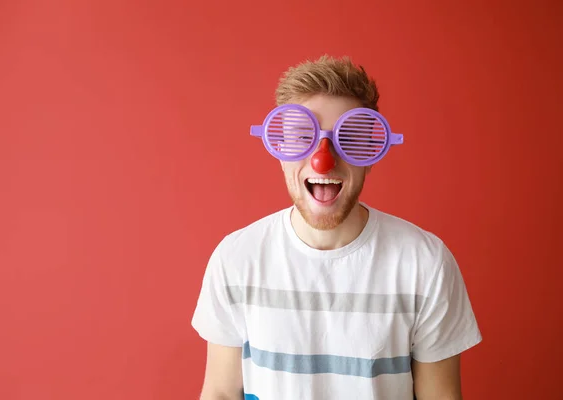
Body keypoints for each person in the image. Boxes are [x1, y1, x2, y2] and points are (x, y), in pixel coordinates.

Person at [191, 55, 482, 400]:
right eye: (302, 136)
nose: (323, 158)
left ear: (373, 154)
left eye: (352, 137)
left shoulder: (425, 263)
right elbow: (222, 393)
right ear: (280, 151)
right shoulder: (236, 258)